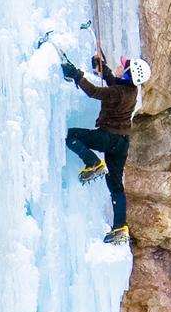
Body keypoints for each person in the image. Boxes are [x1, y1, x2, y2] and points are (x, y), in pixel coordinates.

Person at [61, 53, 151, 245]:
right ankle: (120, 227)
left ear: (128, 73)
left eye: (123, 66)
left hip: (108, 138)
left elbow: (94, 92)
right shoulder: (130, 90)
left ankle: (92, 162)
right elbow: (114, 82)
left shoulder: (118, 92)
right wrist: (103, 69)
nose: (120, 66)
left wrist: (76, 75)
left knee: (70, 135)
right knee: (116, 186)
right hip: (121, 144)